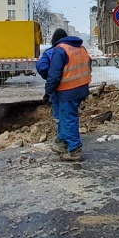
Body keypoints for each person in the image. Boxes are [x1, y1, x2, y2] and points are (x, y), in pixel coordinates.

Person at [45, 29, 91, 162]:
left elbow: (54, 75)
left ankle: (74, 150)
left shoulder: (60, 50)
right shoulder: (80, 48)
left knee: (68, 119)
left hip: (67, 90)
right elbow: (88, 66)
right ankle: (62, 143)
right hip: (81, 88)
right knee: (68, 117)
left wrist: (48, 91)